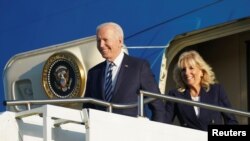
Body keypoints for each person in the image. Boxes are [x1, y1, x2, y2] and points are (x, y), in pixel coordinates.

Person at [82, 22, 166, 123]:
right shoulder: (94, 73)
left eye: (105, 40)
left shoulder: (139, 67)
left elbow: (157, 105)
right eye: (98, 40)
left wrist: (154, 134)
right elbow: (87, 109)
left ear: (120, 41)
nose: (101, 45)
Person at [165, 50, 238, 131]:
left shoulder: (216, 90)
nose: (186, 73)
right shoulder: (175, 95)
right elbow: (164, 123)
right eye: (183, 70)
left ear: (202, 72)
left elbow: (231, 121)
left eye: (191, 68)